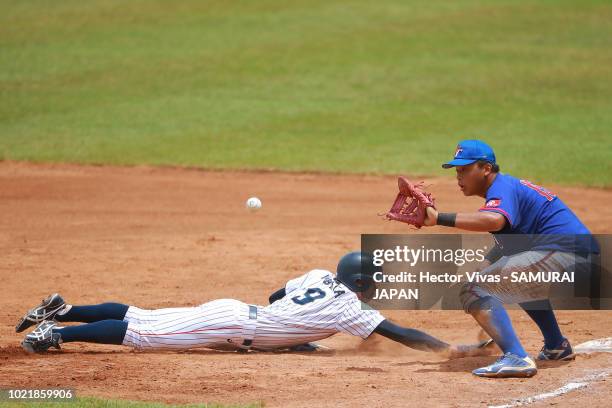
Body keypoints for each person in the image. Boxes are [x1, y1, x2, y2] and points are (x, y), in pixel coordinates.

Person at [17, 252, 491, 358]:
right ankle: (57, 334)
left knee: (142, 314)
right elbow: (401, 334)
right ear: (363, 284)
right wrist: (449, 349)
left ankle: (64, 308)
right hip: (231, 324)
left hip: (236, 311)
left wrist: (295, 336)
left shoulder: (320, 276)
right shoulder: (350, 308)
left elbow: (276, 300)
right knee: (143, 334)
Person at [416, 139, 598, 378]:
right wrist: (482, 268)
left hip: (568, 256)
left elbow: (494, 221)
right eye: (457, 171)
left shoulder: (502, 189)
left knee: (474, 289)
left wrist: (439, 218)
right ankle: (556, 346)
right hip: (578, 258)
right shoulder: (505, 188)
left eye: (465, 170)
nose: (459, 177)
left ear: (486, 169)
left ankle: (516, 357)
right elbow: (509, 245)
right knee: (515, 279)